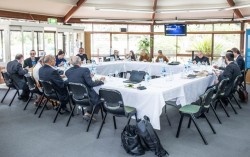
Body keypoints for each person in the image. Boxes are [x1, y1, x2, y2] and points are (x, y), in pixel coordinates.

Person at [65, 56, 105, 120]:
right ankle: (89, 113)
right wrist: (101, 81)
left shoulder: (67, 72)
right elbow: (91, 84)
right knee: (100, 95)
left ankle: (88, 112)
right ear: (80, 62)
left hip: (75, 96)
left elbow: (76, 78)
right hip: (86, 97)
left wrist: (88, 77)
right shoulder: (85, 70)